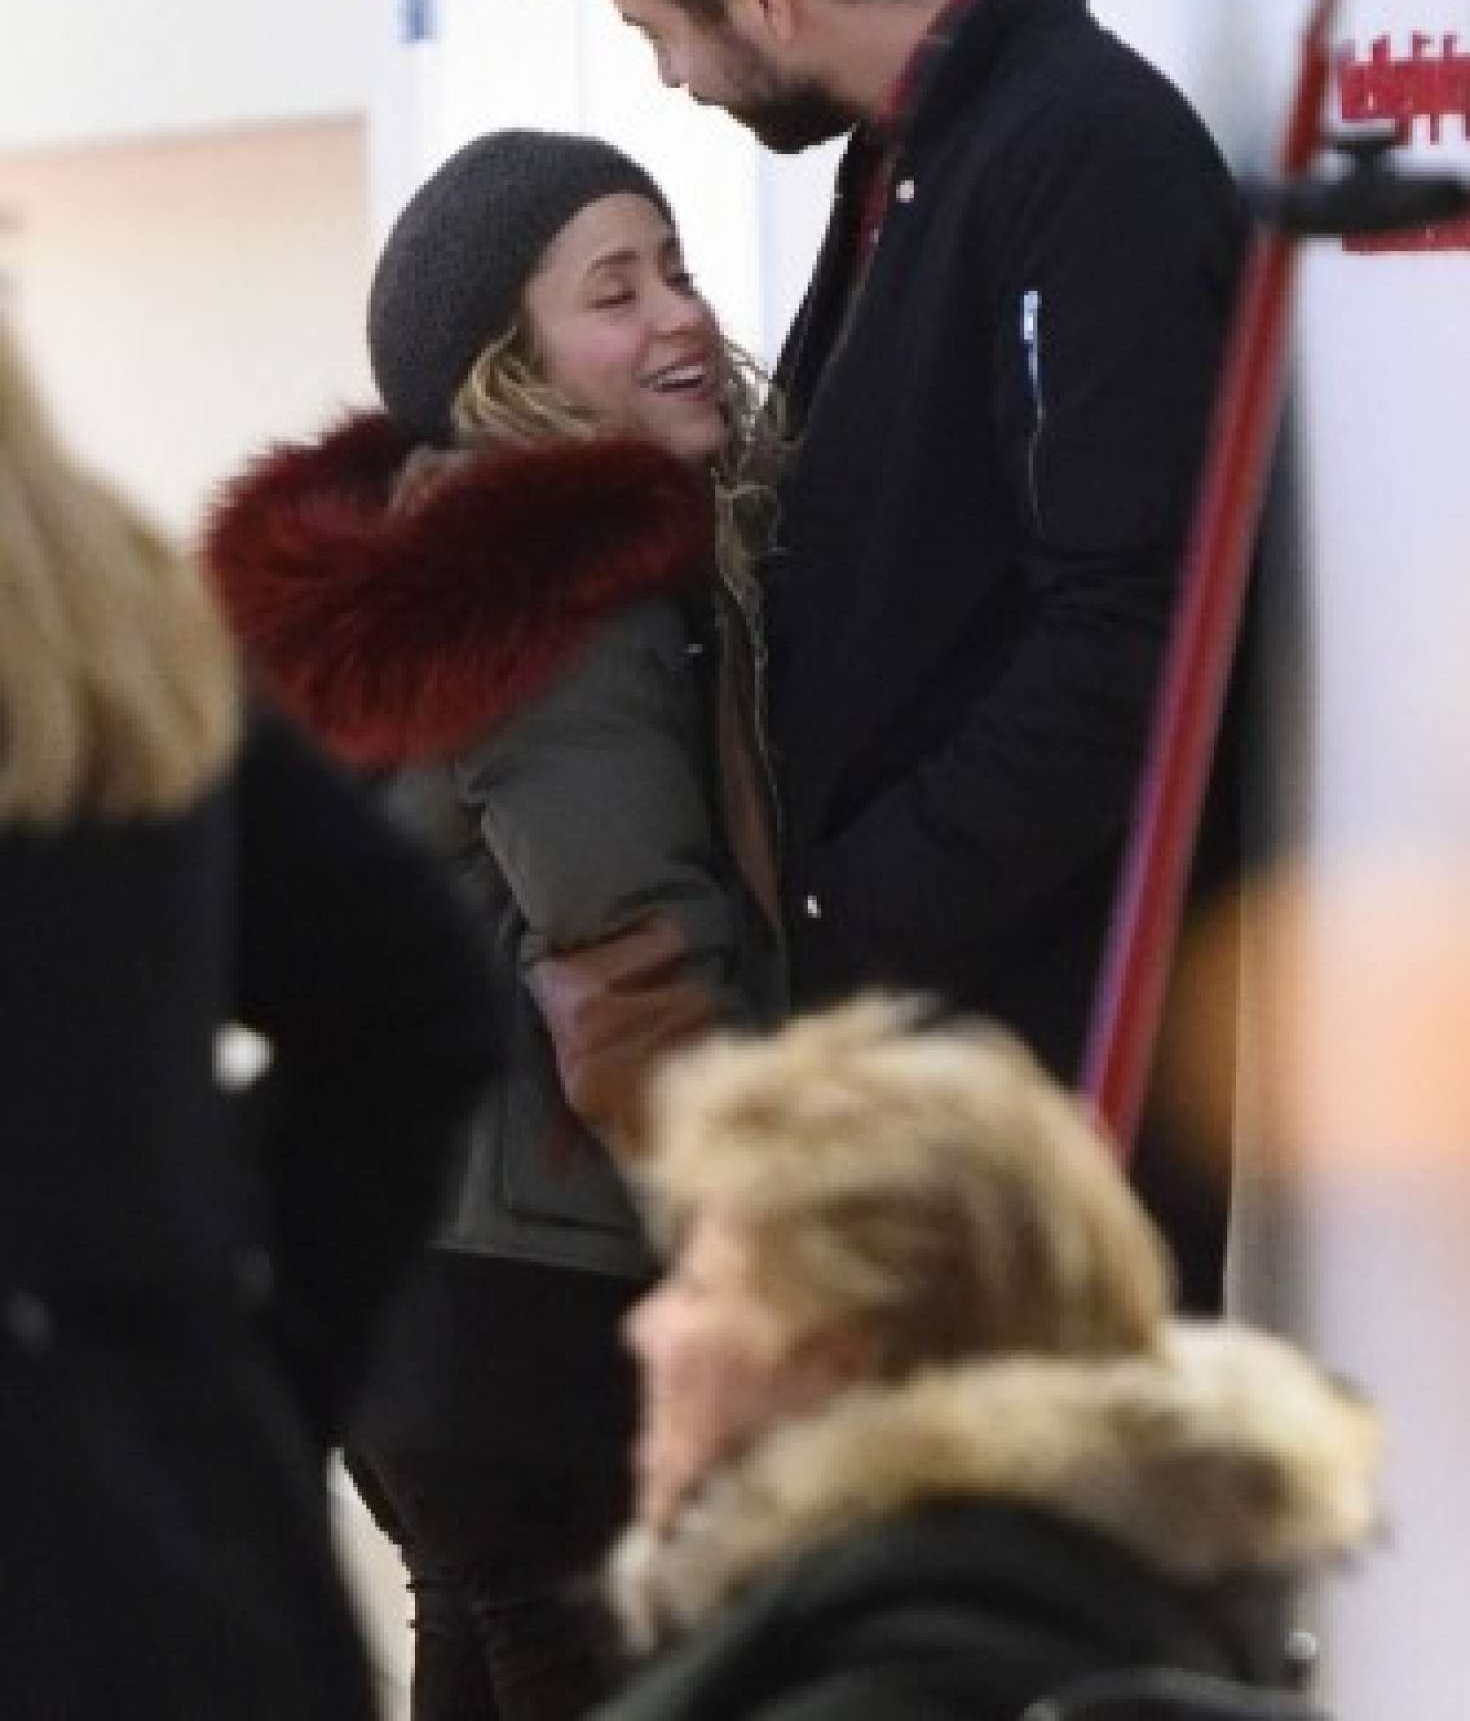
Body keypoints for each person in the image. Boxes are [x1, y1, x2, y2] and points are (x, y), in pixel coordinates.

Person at [491, 0, 1251, 1309]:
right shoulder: (912, 159)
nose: (672, 78)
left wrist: (845, 908)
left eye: (658, 32)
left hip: (1039, 1101)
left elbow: (1133, 638)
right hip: (927, 1079)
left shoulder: (1078, 152)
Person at [205, 128, 784, 1721]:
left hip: (414, 1295)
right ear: (504, 363)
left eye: (674, 265)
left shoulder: (423, 568)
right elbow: (629, 963)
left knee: (479, 1652)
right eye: (613, 289)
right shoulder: (553, 588)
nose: (676, 312)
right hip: (538, 1299)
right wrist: (770, 1237)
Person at [0, 312, 500, 1720]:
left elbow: (414, 997)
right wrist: (240, 1343)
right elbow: (414, 998)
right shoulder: (104, 618)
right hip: (176, 1535)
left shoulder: (101, 621)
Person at [586, 996, 1379, 1721]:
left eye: (699, 1286)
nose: (647, 1327)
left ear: (844, 1351)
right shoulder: (1076, 1614)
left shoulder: (903, 1677)